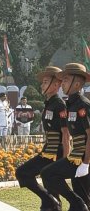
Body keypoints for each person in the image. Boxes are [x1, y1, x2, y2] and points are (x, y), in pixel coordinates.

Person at [16, 66, 69, 211]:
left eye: (45, 82)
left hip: (55, 152)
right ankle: (50, 202)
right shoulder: (49, 104)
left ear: (56, 85)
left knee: (26, 173)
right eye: (43, 82)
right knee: (25, 174)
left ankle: (51, 202)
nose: (42, 85)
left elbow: (66, 134)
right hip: (48, 151)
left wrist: (64, 159)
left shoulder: (59, 105)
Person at [41, 63, 90, 211]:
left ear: (76, 84)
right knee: (81, 194)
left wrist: (86, 163)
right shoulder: (71, 105)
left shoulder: (83, 105)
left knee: (48, 173)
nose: (62, 84)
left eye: (67, 80)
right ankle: (78, 204)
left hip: (83, 157)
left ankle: (78, 204)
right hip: (76, 155)